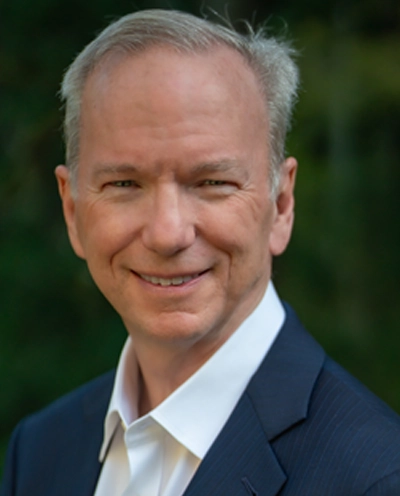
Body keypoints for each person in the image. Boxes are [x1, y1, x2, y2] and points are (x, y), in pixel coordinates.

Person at [2, 9, 400, 496]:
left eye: (212, 182)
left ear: (281, 205)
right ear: (72, 210)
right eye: (124, 184)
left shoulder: (376, 478)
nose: (167, 233)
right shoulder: (40, 451)